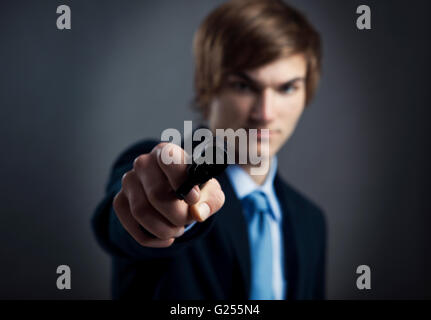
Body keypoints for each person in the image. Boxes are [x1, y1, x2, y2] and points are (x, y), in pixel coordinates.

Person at [92, 0, 326, 300]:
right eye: (243, 86)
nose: (266, 112)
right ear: (207, 87)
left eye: (287, 88)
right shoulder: (160, 169)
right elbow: (125, 217)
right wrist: (159, 209)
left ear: (307, 93)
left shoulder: (312, 222)